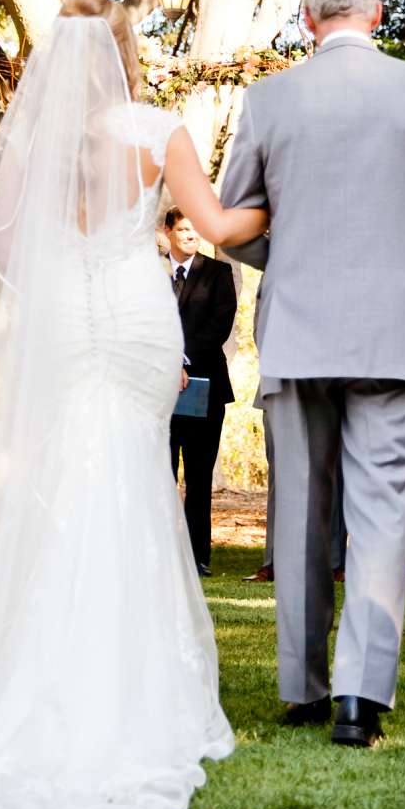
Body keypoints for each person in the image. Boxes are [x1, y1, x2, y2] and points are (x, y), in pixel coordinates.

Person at [0, 0, 260, 809]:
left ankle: (35, 678)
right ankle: (126, 685)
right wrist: (277, 198)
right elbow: (221, 226)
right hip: (132, 316)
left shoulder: (36, 143)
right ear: (126, 51)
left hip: (65, 315)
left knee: (62, 477)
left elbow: (9, 250)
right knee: (133, 471)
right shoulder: (158, 129)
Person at [217, 0, 405, 749]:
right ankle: (359, 700)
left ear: (307, 21)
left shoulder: (267, 99)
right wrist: (402, 257)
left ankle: (301, 684)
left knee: (297, 506)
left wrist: (298, 259)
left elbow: (236, 218)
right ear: (377, 14)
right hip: (396, 330)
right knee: (381, 512)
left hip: (299, 324)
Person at [164, 207, 238, 575]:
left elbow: (219, 325)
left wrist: (183, 359)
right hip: (155, 391)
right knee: (159, 473)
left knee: (198, 476)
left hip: (204, 389)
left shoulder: (218, 273)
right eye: (184, 229)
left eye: (197, 230)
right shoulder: (148, 273)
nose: (192, 235)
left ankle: (196, 557)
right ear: (168, 232)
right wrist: (167, 360)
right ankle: (158, 554)